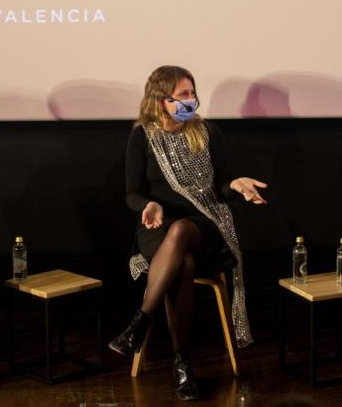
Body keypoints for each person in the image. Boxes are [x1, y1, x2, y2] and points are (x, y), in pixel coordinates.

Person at [108, 65, 269, 401]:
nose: (190, 100)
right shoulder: (142, 136)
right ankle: (183, 365)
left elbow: (221, 188)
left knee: (183, 230)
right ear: (161, 100)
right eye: (182, 95)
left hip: (207, 225)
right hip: (157, 228)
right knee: (183, 266)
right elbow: (132, 193)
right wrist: (148, 207)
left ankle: (140, 322)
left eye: (192, 93)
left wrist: (235, 185)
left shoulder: (208, 132)